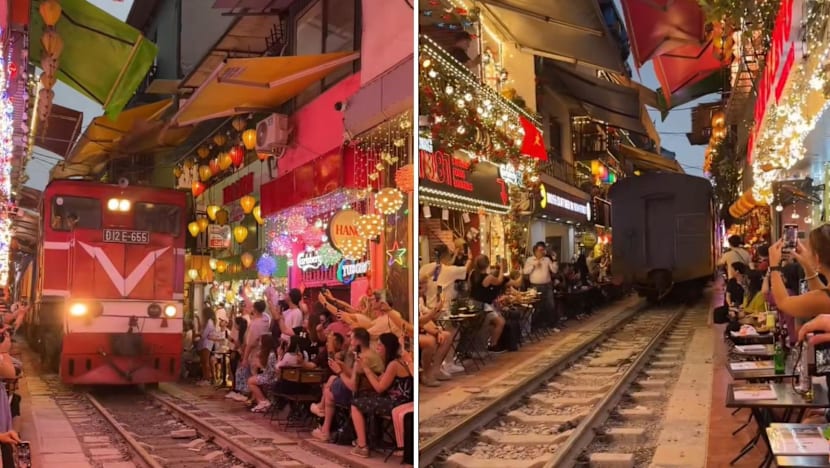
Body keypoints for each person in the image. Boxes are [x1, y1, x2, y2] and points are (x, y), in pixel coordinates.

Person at [311, 328, 384, 443]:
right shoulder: (371, 354)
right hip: (369, 390)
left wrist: (340, 371)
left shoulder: (362, 359)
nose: (350, 342)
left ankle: (325, 430)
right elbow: (358, 374)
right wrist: (343, 367)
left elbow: (353, 386)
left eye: (352, 339)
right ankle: (323, 420)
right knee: (332, 381)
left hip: (362, 394)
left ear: (357, 341)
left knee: (329, 392)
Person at [349, 333, 413, 458]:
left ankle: (362, 446)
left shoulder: (394, 364)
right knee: (364, 398)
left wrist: (366, 369)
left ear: (387, 347)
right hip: (397, 400)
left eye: (380, 345)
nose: (377, 347)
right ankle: (372, 439)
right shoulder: (393, 363)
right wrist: (366, 367)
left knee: (355, 404)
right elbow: (380, 380)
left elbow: (379, 388)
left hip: (397, 403)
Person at [418, 244, 472, 374]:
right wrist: (470, 258)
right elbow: (465, 269)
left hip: (428, 308)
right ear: (446, 255)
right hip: (443, 309)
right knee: (452, 334)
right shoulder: (449, 270)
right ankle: (447, 363)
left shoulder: (425, 268)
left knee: (441, 335)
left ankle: (440, 364)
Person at [768, 227, 830, 320]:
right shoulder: (824, 297)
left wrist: (774, 266)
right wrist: (807, 265)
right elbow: (822, 293)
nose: (806, 252)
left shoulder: (824, 299)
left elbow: (783, 302)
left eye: (809, 250)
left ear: (817, 258)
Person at [470, 255, 520, 353]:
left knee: (493, 322)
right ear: (487, 264)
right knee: (501, 322)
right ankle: (493, 344)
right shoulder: (488, 278)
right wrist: (501, 268)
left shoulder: (472, 274)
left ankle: (491, 342)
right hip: (483, 305)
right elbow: (499, 281)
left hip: (473, 302)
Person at [523, 242, 558, 330]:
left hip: (547, 285)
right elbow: (525, 271)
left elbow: (554, 270)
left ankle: (551, 325)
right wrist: (534, 266)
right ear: (535, 251)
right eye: (540, 250)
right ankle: (536, 326)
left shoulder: (547, 259)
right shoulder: (530, 260)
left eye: (543, 250)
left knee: (550, 305)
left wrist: (554, 260)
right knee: (537, 306)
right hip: (535, 286)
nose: (542, 252)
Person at [193, 307, 217, 386]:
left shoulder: (209, 322)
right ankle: (204, 378)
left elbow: (204, 334)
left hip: (207, 344)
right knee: (203, 361)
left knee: (205, 361)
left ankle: (207, 378)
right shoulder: (208, 322)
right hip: (205, 343)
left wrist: (198, 334)